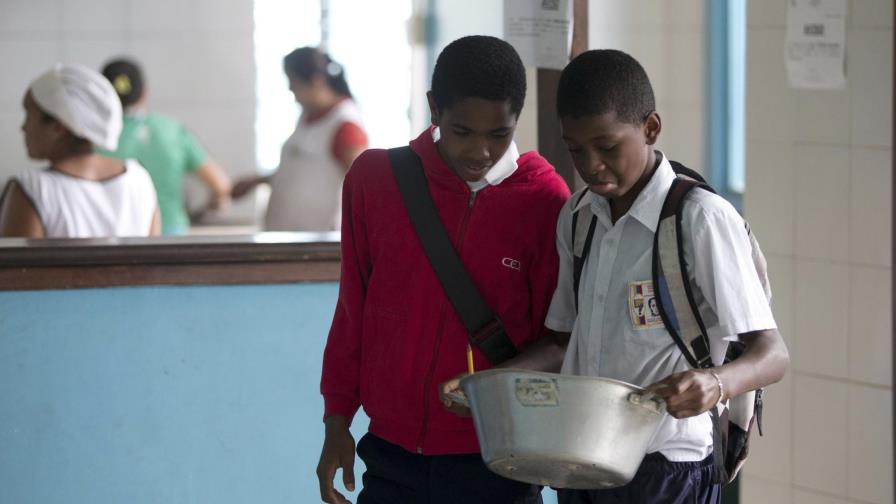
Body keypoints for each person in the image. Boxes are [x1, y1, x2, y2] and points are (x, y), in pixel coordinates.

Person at [441, 49, 790, 503]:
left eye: (606, 147)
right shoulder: (579, 216)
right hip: (584, 462)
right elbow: (562, 343)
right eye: (575, 150)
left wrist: (716, 382)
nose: (591, 165)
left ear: (650, 128)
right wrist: (489, 388)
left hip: (669, 466)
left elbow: (773, 354)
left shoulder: (699, 219)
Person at [317, 35, 570, 504]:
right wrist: (337, 420)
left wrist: (492, 389)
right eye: (462, 132)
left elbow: (558, 340)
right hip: (390, 457)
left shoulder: (546, 201)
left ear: (518, 118)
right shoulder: (376, 181)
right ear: (435, 109)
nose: (480, 152)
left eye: (499, 134)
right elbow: (354, 310)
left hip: (499, 463)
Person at [0, 63, 159, 238]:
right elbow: (152, 262)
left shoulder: (33, 189)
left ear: (58, 127)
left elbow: (17, 265)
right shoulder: (139, 180)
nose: (23, 127)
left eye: (29, 114)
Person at [232, 47, 367, 231]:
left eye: (294, 84)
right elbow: (305, 172)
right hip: (284, 235)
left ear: (315, 81)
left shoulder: (345, 126)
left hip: (318, 240)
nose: (290, 90)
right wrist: (258, 181)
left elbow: (362, 186)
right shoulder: (307, 118)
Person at [100, 58, 232, 235]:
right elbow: (221, 185)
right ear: (145, 92)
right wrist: (207, 208)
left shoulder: (94, 137)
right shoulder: (172, 131)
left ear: (101, 95)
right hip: (171, 238)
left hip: (115, 237)